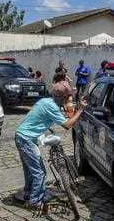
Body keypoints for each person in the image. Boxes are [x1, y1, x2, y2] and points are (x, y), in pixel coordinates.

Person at [15, 81, 85, 213]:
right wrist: (80, 110)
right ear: (63, 97)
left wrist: (47, 129)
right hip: (27, 140)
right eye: (68, 97)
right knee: (40, 173)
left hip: (22, 136)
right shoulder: (52, 106)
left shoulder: (46, 101)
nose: (70, 99)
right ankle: (35, 201)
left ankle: (28, 193)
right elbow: (67, 125)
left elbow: (41, 118)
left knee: (30, 171)